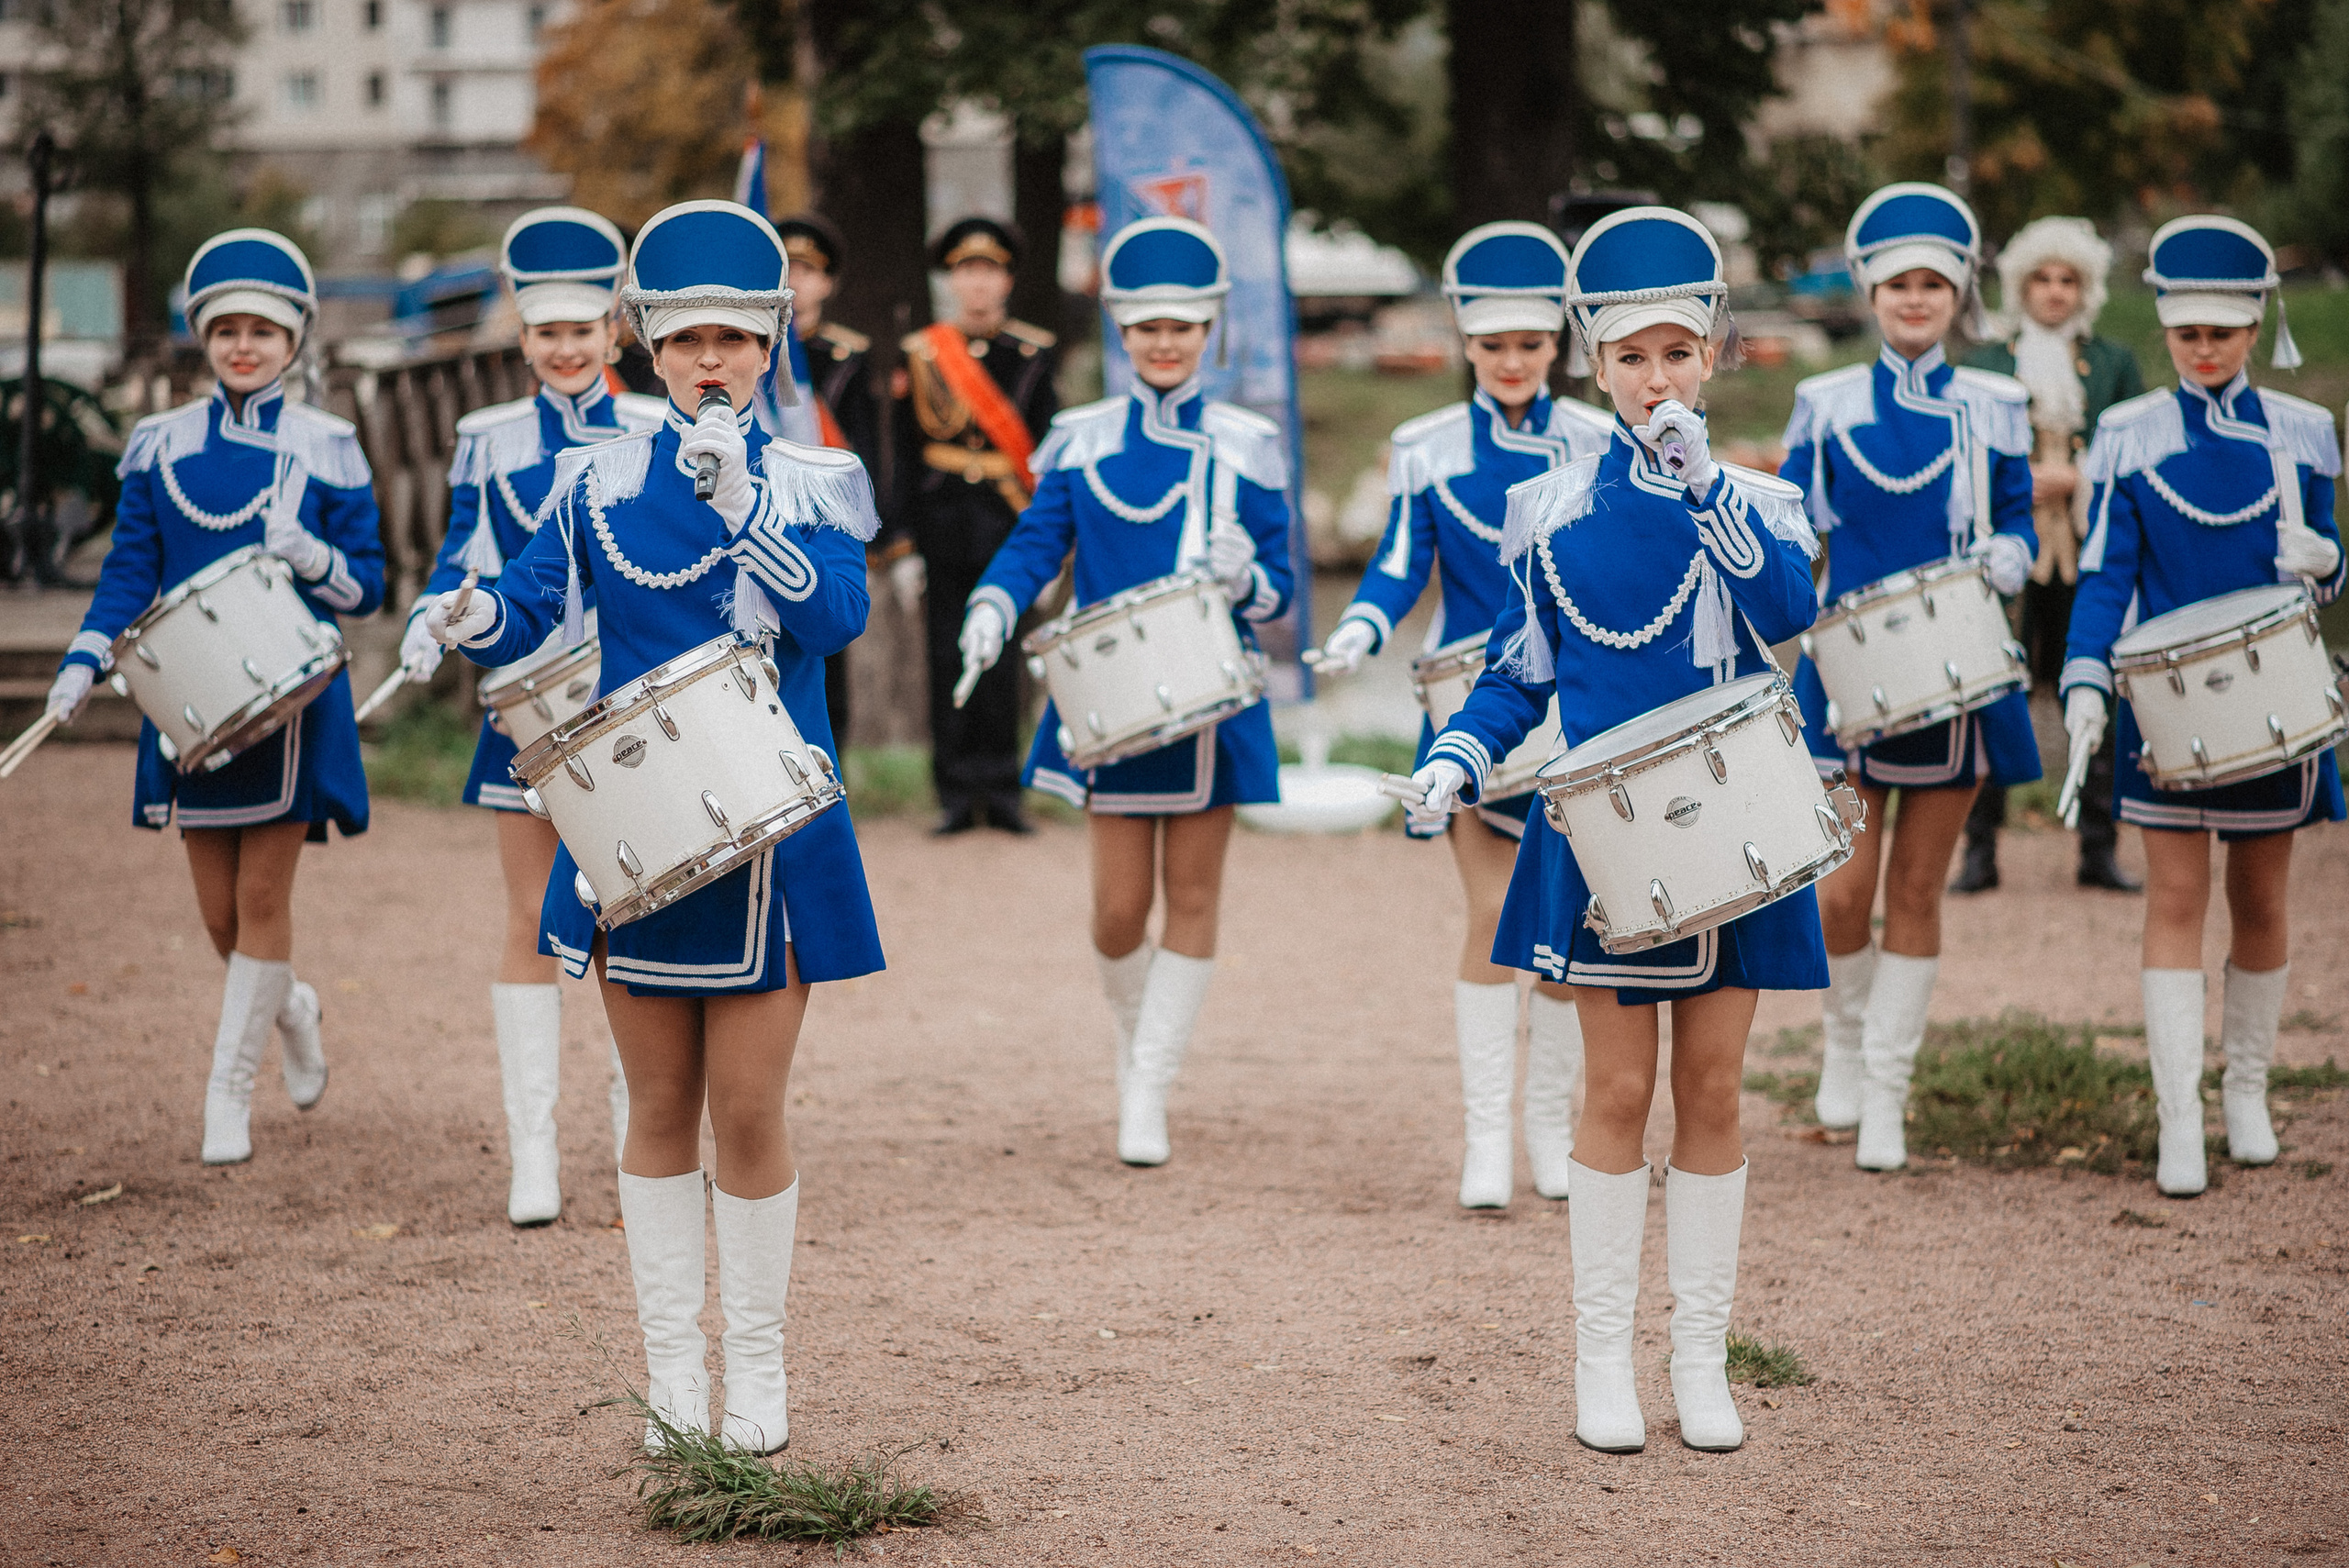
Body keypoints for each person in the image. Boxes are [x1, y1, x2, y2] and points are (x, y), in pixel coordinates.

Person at [426, 199, 885, 1452]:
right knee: (656, 1106)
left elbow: (836, 621)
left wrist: (749, 511)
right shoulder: (593, 479)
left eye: (736, 338)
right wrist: (468, 616)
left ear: (772, 342)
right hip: (636, 837)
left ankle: (759, 1369)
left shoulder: (811, 478)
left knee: (749, 1106)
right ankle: (674, 1372)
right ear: (646, 344)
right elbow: (530, 606)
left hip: (776, 839)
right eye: (687, 340)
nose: (712, 361)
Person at [1407, 207, 1823, 1454]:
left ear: (1712, 359)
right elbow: (1517, 673)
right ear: (1599, 367)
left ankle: (1701, 1359)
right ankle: (1602, 1362)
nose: (1657, 380)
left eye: (1678, 355)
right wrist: (1453, 755)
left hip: (1737, 827)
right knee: (1619, 1086)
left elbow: (1792, 610)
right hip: (1603, 839)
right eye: (1633, 359)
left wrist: (1710, 494)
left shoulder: (1755, 496)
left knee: (1712, 1084)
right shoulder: (1547, 508)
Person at [953, 216, 1291, 1168]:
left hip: (1211, 703)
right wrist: (991, 601)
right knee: (1113, 909)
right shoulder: (1080, 439)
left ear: (1209, 329)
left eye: (1183, 325)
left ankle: (1147, 1083)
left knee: (1191, 895)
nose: (1165, 342)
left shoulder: (1245, 443)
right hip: (1106, 699)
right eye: (1146, 326)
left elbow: (1282, 579)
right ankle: (1136, 1043)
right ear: (1120, 331)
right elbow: (1034, 546)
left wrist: (1247, 581)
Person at [42, 228, 383, 1165]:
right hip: (186, 704)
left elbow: (370, 585)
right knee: (220, 918)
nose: (244, 345)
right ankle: (295, 1007)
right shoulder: (159, 445)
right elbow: (128, 570)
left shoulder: (330, 446)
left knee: (265, 895)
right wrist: (84, 654)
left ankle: (225, 1095)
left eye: (264, 330)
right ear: (202, 336)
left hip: (289, 697)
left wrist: (313, 556)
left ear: (296, 338)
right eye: (225, 328)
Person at [1317, 221, 1613, 1209]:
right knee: (1492, 918)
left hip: (1578, 708)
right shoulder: (1427, 447)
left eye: (1531, 344)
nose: (1514, 361)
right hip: (1467, 707)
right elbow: (1402, 562)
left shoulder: (1598, 440)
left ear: (1557, 346)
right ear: (1466, 344)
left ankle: (1547, 1127)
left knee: (1568, 923)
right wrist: (1361, 626)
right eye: (1493, 345)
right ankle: (1486, 1134)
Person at [2060, 215, 2343, 1198]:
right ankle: (2178, 1116)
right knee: (2173, 899)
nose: (2206, 348)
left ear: (2255, 326)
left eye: (2223, 330)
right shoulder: (2126, 435)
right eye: (2188, 332)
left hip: (2274, 705)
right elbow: (2103, 575)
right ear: (2167, 331)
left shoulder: (2304, 433)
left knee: (2261, 899)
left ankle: (2248, 1090)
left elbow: (2329, 560)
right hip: (2164, 709)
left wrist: (2331, 560)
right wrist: (2086, 678)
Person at [389, 207, 662, 1226]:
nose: (563, 348)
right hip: (527, 702)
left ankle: (649, 1132)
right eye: (545, 331)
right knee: (525, 923)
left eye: (582, 329)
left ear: (613, 333)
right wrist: (438, 612)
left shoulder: (651, 430)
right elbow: (468, 553)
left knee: (636, 909)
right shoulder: (487, 439)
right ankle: (533, 1153)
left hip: (634, 706)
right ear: (522, 334)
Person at [1779, 183, 2039, 1171]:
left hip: (1957, 670)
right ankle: (1843, 1045)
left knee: (1920, 889)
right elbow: (1790, 532)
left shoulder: (1995, 405)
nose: (1916, 300)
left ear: (1958, 294)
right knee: (1842, 896)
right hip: (1844, 673)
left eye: (1934, 283)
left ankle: (1887, 1091)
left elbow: (2016, 513)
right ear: (1871, 293)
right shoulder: (1825, 401)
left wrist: (2010, 554)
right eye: (1898, 285)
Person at [1954, 217, 2147, 893]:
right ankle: (1980, 850)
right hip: (2011, 546)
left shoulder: (2115, 362)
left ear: (2085, 287)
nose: (2056, 291)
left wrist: (2075, 477)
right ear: (2021, 284)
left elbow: (2133, 454)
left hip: (2089, 542)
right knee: (1991, 684)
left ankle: (2099, 845)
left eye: (2069, 279)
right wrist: (2022, 481)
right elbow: (1968, 457)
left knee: (2098, 681)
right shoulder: (1985, 362)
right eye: (2043, 277)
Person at [889, 217, 1060, 834]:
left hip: (1008, 526)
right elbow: (905, 457)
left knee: (1005, 663)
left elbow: (1047, 455)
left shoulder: (1033, 353)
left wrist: (1048, 555)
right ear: (952, 280)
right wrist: (903, 545)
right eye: (967, 271)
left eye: (989, 271)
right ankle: (955, 793)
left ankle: (1005, 791)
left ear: (1007, 280)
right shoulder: (923, 353)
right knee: (943, 657)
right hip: (940, 528)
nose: (978, 284)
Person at [775, 211, 877, 746]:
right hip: (760, 507)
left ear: (828, 281)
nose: (796, 279)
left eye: (809, 269)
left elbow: (865, 448)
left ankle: (827, 761)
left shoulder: (846, 355)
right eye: (787, 265)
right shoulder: (756, 350)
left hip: (823, 517)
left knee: (827, 644)